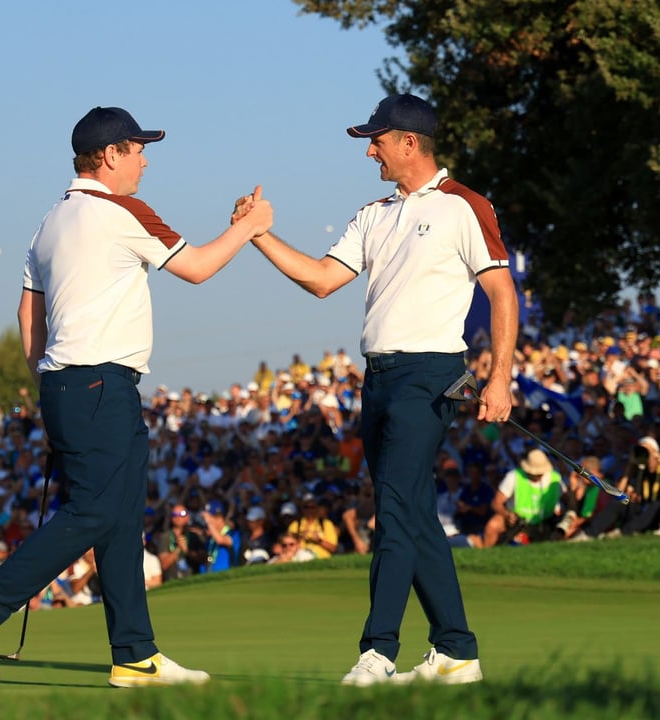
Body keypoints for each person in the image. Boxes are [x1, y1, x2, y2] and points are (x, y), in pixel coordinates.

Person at [0, 105, 273, 688]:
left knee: (120, 519)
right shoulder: (121, 210)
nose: (144, 159)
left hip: (72, 383)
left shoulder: (51, 220)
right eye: (138, 149)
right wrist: (250, 227)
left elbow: (28, 315)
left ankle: (135, 654)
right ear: (110, 155)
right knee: (96, 511)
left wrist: (50, 380)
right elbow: (195, 268)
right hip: (99, 382)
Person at [237, 93, 516, 686]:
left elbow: (501, 293)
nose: (370, 150)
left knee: (391, 510)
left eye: (378, 140)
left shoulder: (464, 206)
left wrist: (501, 378)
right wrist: (258, 235)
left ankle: (378, 652)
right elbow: (320, 279)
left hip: (433, 375)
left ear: (409, 142)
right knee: (412, 512)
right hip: (380, 379)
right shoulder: (374, 212)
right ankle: (457, 650)